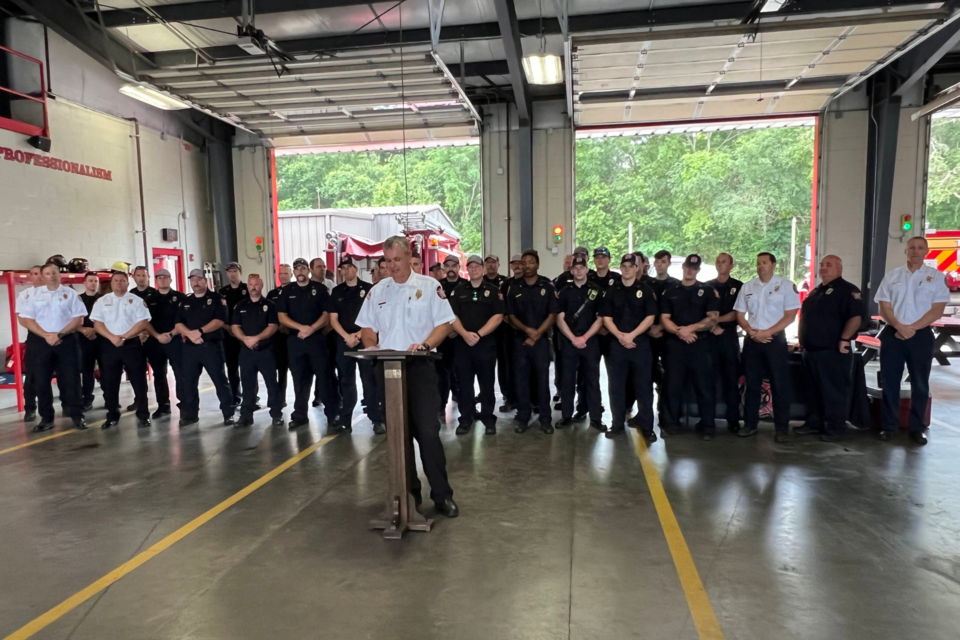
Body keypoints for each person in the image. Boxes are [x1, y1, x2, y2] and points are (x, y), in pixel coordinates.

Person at [356, 235, 459, 518]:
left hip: (419, 368)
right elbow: (366, 327)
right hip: (387, 370)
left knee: (427, 433)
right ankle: (408, 495)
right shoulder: (378, 291)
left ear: (408, 255)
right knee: (398, 436)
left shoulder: (429, 286)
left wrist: (426, 344)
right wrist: (371, 345)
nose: (392, 266)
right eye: (387, 261)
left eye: (397, 260)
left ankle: (442, 495)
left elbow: (444, 325)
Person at [874, 236, 950, 445]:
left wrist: (911, 329)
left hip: (921, 336)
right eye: (911, 248)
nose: (915, 251)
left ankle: (917, 428)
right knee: (890, 382)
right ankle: (889, 426)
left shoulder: (935, 278)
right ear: (905, 251)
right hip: (893, 334)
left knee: (920, 383)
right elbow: (884, 307)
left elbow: (937, 309)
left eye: (919, 248)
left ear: (926, 251)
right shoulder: (892, 277)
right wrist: (899, 327)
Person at [734, 252, 801, 443]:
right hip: (753, 340)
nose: (760, 266)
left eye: (764, 263)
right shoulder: (748, 286)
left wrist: (768, 332)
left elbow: (790, 315)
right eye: (758, 263)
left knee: (779, 386)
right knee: (752, 384)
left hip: (774, 340)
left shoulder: (786, 286)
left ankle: (781, 429)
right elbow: (739, 314)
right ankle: (749, 424)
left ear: (773, 265)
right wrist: (750, 331)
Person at [797, 255, 864, 442]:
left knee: (833, 391)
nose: (824, 268)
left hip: (833, 351)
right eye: (822, 265)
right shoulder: (817, 291)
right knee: (813, 391)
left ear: (840, 269)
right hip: (810, 351)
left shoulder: (848, 290)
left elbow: (855, 317)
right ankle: (813, 423)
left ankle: (835, 428)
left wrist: (844, 339)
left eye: (829, 265)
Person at [17, 263, 87, 432]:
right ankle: (46, 418)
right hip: (40, 342)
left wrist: (59, 334)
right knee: (41, 381)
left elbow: (79, 320)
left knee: (71, 379)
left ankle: (77, 415)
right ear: (42, 276)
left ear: (59, 274)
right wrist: (46, 335)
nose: (52, 275)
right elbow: (26, 320)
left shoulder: (71, 294)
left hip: (66, 340)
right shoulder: (32, 295)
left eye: (54, 272)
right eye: (47, 273)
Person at [660, 255, 720, 440]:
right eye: (688, 266)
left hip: (700, 344)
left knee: (704, 387)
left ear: (698, 270)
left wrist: (690, 329)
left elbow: (713, 318)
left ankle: (707, 427)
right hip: (676, 345)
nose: (690, 270)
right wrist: (680, 332)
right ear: (683, 267)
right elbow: (664, 318)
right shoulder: (670, 291)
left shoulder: (707, 290)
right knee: (672, 386)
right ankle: (671, 424)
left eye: (694, 268)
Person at [275, 258, 339, 430]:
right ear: (293, 273)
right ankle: (300, 415)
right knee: (299, 380)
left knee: (325, 379)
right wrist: (300, 328)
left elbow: (327, 314)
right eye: (297, 269)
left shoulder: (319, 289)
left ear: (308, 271)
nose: (300, 272)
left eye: (303, 268)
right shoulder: (287, 291)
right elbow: (282, 316)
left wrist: (311, 328)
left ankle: (332, 415)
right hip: (296, 341)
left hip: (316, 340)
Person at [600, 254, 657, 440]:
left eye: (630, 266)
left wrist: (631, 335)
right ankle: (617, 424)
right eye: (623, 265)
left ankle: (647, 427)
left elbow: (650, 317)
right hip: (617, 345)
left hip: (639, 344)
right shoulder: (611, 290)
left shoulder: (646, 290)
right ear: (621, 267)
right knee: (616, 387)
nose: (626, 269)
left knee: (643, 388)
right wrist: (620, 336)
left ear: (636, 268)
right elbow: (606, 318)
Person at [450, 254, 504, 435]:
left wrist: (479, 334)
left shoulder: (493, 290)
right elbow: (452, 316)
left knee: (487, 383)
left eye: (477, 266)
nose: (473, 269)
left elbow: (497, 316)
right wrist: (465, 334)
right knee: (464, 384)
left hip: (485, 345)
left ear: (482, 269)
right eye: (470, 266)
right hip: (463, 345)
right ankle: (466, 418)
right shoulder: (458, 291)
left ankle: (488, 418)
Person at [175, 269, 237, 427]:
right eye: (193, 279)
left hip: (211, 347)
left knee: (220, 381)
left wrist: (200, 331)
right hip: (190, 349)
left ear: (206, 280)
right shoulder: (186, 301)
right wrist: (190, 334)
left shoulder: (217, 298)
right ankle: (190, 414)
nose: (196, 282)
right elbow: (178, 323)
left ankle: (228, 413)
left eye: (199, 279)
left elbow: (219, 321)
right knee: (188, 382)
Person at [505, 249, 558, 434]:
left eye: (531, 262)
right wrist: (528, 331)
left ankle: (545, 419)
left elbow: (553, 314)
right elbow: (510, 315)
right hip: (520, 342)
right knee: (521, 382)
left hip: (541, 342)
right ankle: (523, 417)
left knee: (543, 382)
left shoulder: (547, 286)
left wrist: (537, 333)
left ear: (537, 265)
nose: (527, 266)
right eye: (524, 263)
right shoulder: (514, 287)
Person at [91, 271, 152, 429]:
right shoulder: (102, 301)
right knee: (110, 382)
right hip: (109, 345)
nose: (119, 283)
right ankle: (112, 416)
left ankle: (143, 415)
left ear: (127, 282)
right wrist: (112, 337)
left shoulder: (137, 301)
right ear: (111, 283)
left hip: (131, 345)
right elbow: (97, 324)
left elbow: (143, 322)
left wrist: (124, 337)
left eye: (122, 280)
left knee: (139, 381)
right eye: (116, 280)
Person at [328, 256, 382, 433]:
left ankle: (376, 419)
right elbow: (333, 319)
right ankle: (346, 420)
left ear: (356, 269)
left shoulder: (368, 289)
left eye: (349, 267)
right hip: (344, 341)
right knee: (346, 381)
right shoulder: (337, 291)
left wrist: (358, 335)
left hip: (364, 340)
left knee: (369, 381)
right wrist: (346, 336)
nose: (346, 271)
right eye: (343, 268)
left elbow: (374, 317)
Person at [555, 254, 605, 431]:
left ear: (587, 269)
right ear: (571, 270)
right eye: (575, 268)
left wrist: (584, 338)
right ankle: (566, 416)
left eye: (581, 268)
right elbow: (559, 318)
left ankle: (596, 418)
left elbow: (600, 319)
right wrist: (573, 338)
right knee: (567, 381)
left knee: (592, 380)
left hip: (590, 342)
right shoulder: (565, 291)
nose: (578, 270)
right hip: (569, 342)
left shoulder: (596, 291)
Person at [231, 274, 284, 428]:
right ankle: (246, 416)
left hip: (265, 351)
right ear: (247, 286)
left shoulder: (270, 305)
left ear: (261, 285)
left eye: (256, 284)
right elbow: (235, 326)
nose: (253, 287)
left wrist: (257, 338)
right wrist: (245, 339)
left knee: (271, 384)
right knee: (247, 385)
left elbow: (273, 326)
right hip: (246, 352)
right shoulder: (240, 306)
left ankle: (276, 415)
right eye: (251, 284)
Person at [706, 253, 744, 432]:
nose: (720, 265)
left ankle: (733, 419)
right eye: (718, 262)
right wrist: (712, 326)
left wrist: (717, 321)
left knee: (731, 380)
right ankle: (708, 419)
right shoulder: (707, 287)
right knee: (709, 381)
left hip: (729, 337)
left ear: (731, 265)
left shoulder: (738, 286)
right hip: (710, 338)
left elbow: (737, 312)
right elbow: (703, 312)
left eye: (724, 262)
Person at [144, 269, 185, 416]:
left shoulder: (180, 297)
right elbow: (145, 321)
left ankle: (184, 404)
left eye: (166, 277)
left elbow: (184, 320)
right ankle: (163, 405)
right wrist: (156, 336)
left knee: (180, 372)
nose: (162, 280)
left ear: (171, 279)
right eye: (159, 277)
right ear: (156, 280)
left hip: (175, 340)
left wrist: (171, 334)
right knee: (159, 374)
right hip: (155, 341)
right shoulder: (149, 299)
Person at [483, 254, 514, 412]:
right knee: (484, 366)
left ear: (498, 264)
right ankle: (484, 395)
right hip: (484, 332)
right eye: (488, 263)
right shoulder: (479, 282)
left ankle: (508, 396)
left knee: (504, 365)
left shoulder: (506, 282)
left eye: (493, 262)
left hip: (503, 330)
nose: (490, 265)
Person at [438, 255, 468, 415]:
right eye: (447, 265)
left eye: (453, 265)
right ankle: (440, 406)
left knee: (462, 373)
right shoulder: (438, 287)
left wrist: (457, 329)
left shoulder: (466, 286)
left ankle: (465, 409)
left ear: (459, 267)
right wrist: (447, 330)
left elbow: (469, 312)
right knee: (442, 374)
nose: (451, 268)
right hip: (442, 337)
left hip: (460, 336)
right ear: (444, 268)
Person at [15, 265, 44, 422]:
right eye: (33, 274)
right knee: (32, 376)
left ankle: (68, 406)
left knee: (64, 375)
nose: (37, 276)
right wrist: (42, 333)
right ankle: (30, 409)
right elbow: (22, 319)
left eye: (40, 273)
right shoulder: (24, 295)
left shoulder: (55, 293)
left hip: (57, 337)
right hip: (36, 338)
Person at [311, 257, 340, 412]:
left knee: (331, 366)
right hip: (315, 333)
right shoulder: (308, 287)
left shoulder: (331, 286)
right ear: (311, 269)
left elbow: (334, 310)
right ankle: (318, 395)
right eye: (318, 267)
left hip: (330, 332)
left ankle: (336, 396)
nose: (321, 269)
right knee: (319, 367)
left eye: (323, 266)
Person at [218, 262, 248, 407]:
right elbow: (218, 314)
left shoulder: (247, 289)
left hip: (245, 334)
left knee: (248, 367)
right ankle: (236, 395)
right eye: (229, 271)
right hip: (228, 335)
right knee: (232, 367)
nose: (232, 274)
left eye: (235, 271)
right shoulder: (222, 292)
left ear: (240, 272)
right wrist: (227, 327)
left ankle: (251, 395)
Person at [267, 263, 293, 404]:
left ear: (291, 274)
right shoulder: (272, 294)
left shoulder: (295, 291)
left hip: (293, 336)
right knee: (277, 369)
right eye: (280, 273)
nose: (283, 276)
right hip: (276, 337)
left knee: (294, 371)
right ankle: (277, 398)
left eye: (285, 273)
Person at [78, 271, 102, 412]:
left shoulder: (104, 299)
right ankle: (87, 399)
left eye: (96, 281)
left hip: (101, 339)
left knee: (105, 371)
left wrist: (95, 331)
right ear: (85, 283)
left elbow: (108, 320)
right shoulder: (78, 299)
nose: (93, 283)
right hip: (83, 340)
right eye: (91, 280)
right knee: (87, 372)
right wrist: (83, 330)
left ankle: (110, 399)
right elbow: (72, 319)